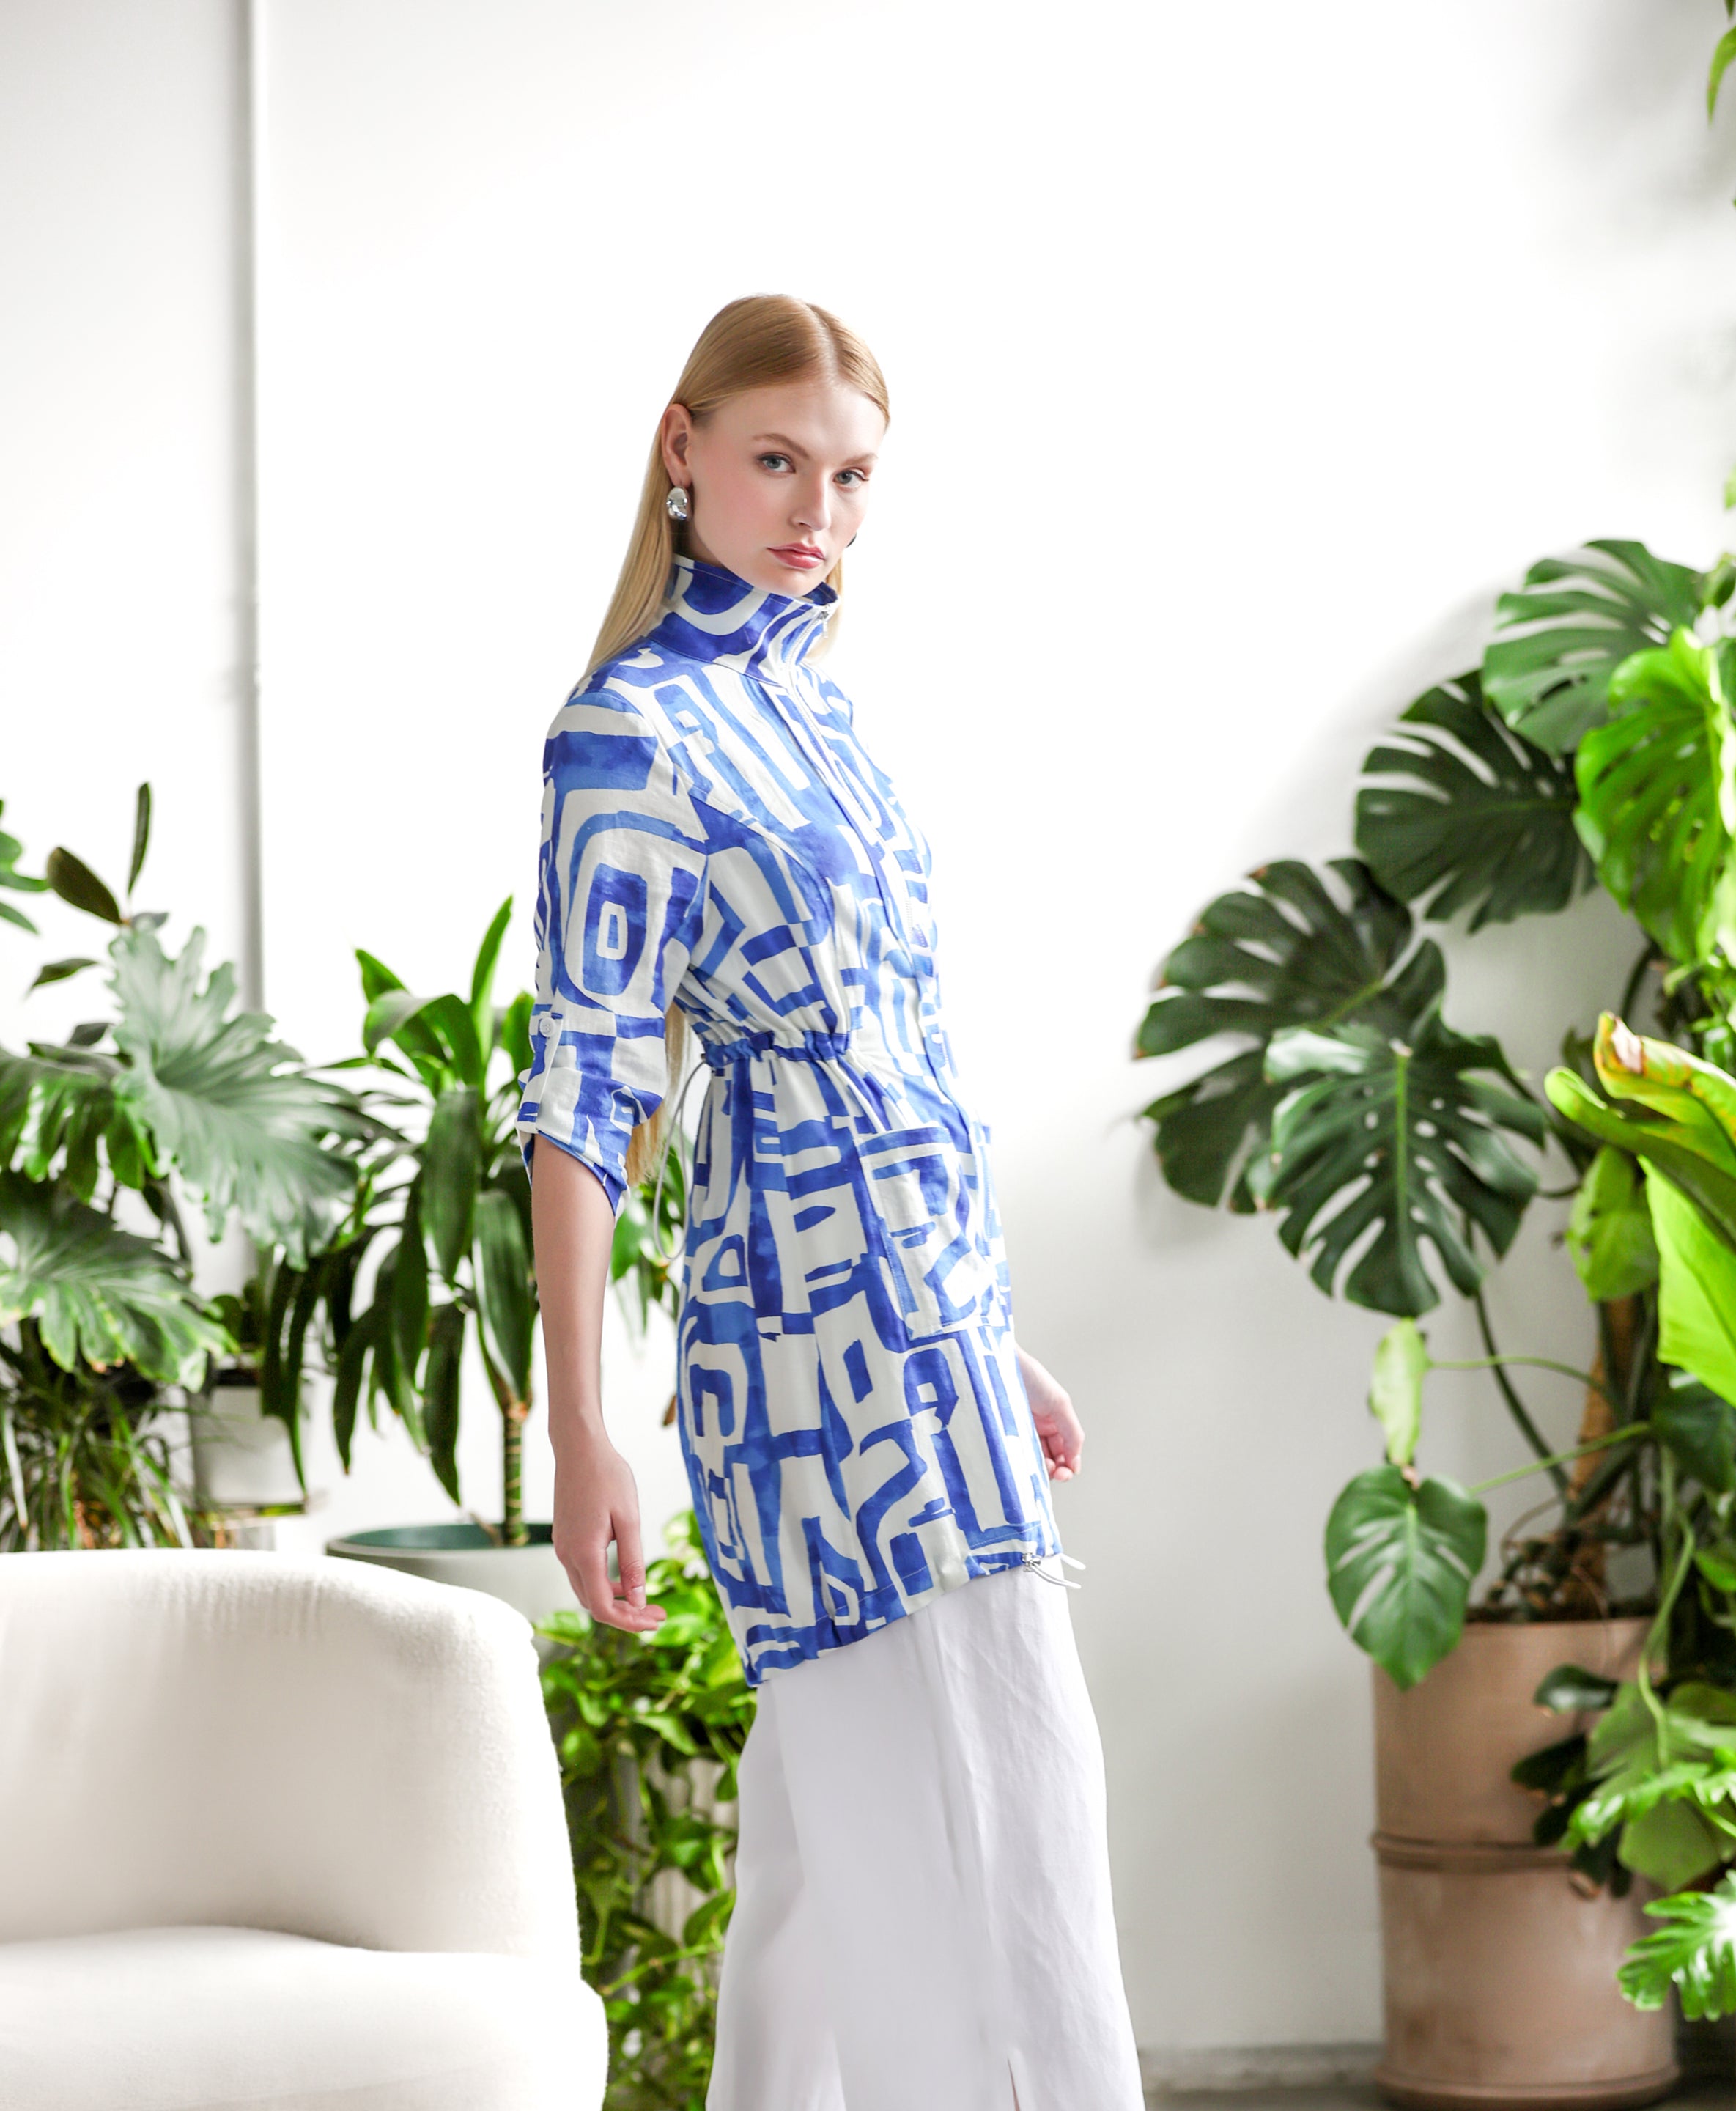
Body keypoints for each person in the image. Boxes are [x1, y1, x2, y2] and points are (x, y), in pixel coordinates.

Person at [517, 293, 1145, 2111]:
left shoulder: (816, 707)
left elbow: (896, 1066)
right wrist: (584, 1433)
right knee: (1001, 1843)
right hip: (813, 1350)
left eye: (853, 476)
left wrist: (987, 1340)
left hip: (919, 1322)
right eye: (780, 460)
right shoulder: (625, 740)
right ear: (683, 447)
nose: (819, 514)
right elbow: (584, 1103)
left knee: (816, 1892)